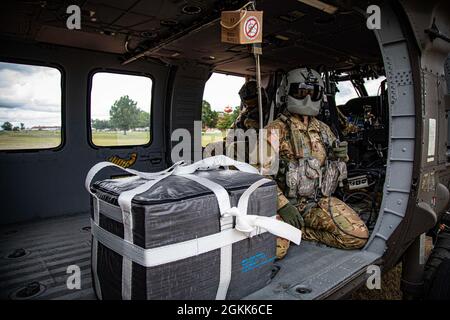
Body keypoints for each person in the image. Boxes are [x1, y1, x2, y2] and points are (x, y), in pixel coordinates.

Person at [263, 68, 369, 260]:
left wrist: (340, 156)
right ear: (287, 93)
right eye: (302, 91)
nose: (308, 97)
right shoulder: (274, 130)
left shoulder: (323, 129)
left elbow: (337, 166)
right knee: (275, 251)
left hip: (315, 202)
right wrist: (283, 205)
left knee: (357, 236)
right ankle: (289, 230)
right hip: (284, 205)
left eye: (314, 92)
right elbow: (260, 175)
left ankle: (301, 233)